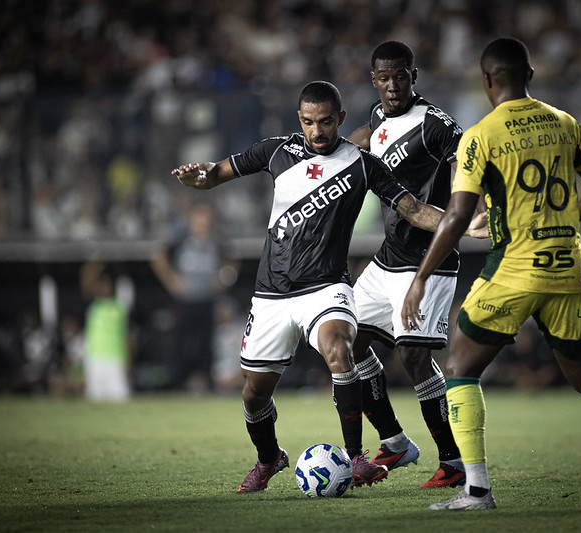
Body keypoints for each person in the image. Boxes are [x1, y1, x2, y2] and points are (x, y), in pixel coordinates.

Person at [401, 37, 581, 510]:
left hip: (513, 270)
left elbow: (455, 215)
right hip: (568, 268)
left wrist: (421, 276)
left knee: (459, 368)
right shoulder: (563, 122)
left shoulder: (482, 134)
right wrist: (566, 219)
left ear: (487, 80)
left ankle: (476, 490)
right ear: (529, 76)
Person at [172, 80, 448, 493]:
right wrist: (203, 177)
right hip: (272, 293)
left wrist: (461, 222)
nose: (316, 131)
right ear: (298, 120)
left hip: (326, 287)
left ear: (340, 118)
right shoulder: (277, 151)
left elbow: (413, 209)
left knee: (340, 350)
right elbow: (219, 173)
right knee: (252, 395)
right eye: (307, 122)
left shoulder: (363, 163)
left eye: (324, 122)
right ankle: (269, 459)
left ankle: (355, 458)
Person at [346, 40, 485, 488]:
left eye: (400, 76)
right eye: (383, 78)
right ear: (374, 80)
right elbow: (368, 138)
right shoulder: (375, 115)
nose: (391, 86)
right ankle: (395, 442)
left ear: (413, 76)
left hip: (430, 257)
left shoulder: (433, 123)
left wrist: (476, 211)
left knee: (413, 356)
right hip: (389, 256)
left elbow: (470, 156)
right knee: (347, 342)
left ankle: (453, 462)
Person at [150, 201, 229, 392]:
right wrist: (172, 281)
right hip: (184, 301)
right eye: (199, 218)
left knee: (206, 345)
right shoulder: (181, 239)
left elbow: (231, 261)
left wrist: (223, 280)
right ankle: (177, 384)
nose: (203, 222)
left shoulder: (215, 241)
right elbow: (157, 256)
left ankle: (207, 385)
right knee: (180, 343)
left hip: (207, 300)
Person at [80, 258, 132, 402]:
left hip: (115, 358)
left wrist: (128, 361)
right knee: (94, 399)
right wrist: (94, 264)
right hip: (95, 358)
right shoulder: (93, 306)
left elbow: (126, 336)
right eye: (101, 285)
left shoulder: (119, 308)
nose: (104, 288)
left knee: (120, 398)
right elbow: (85, 283)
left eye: (107, 285)